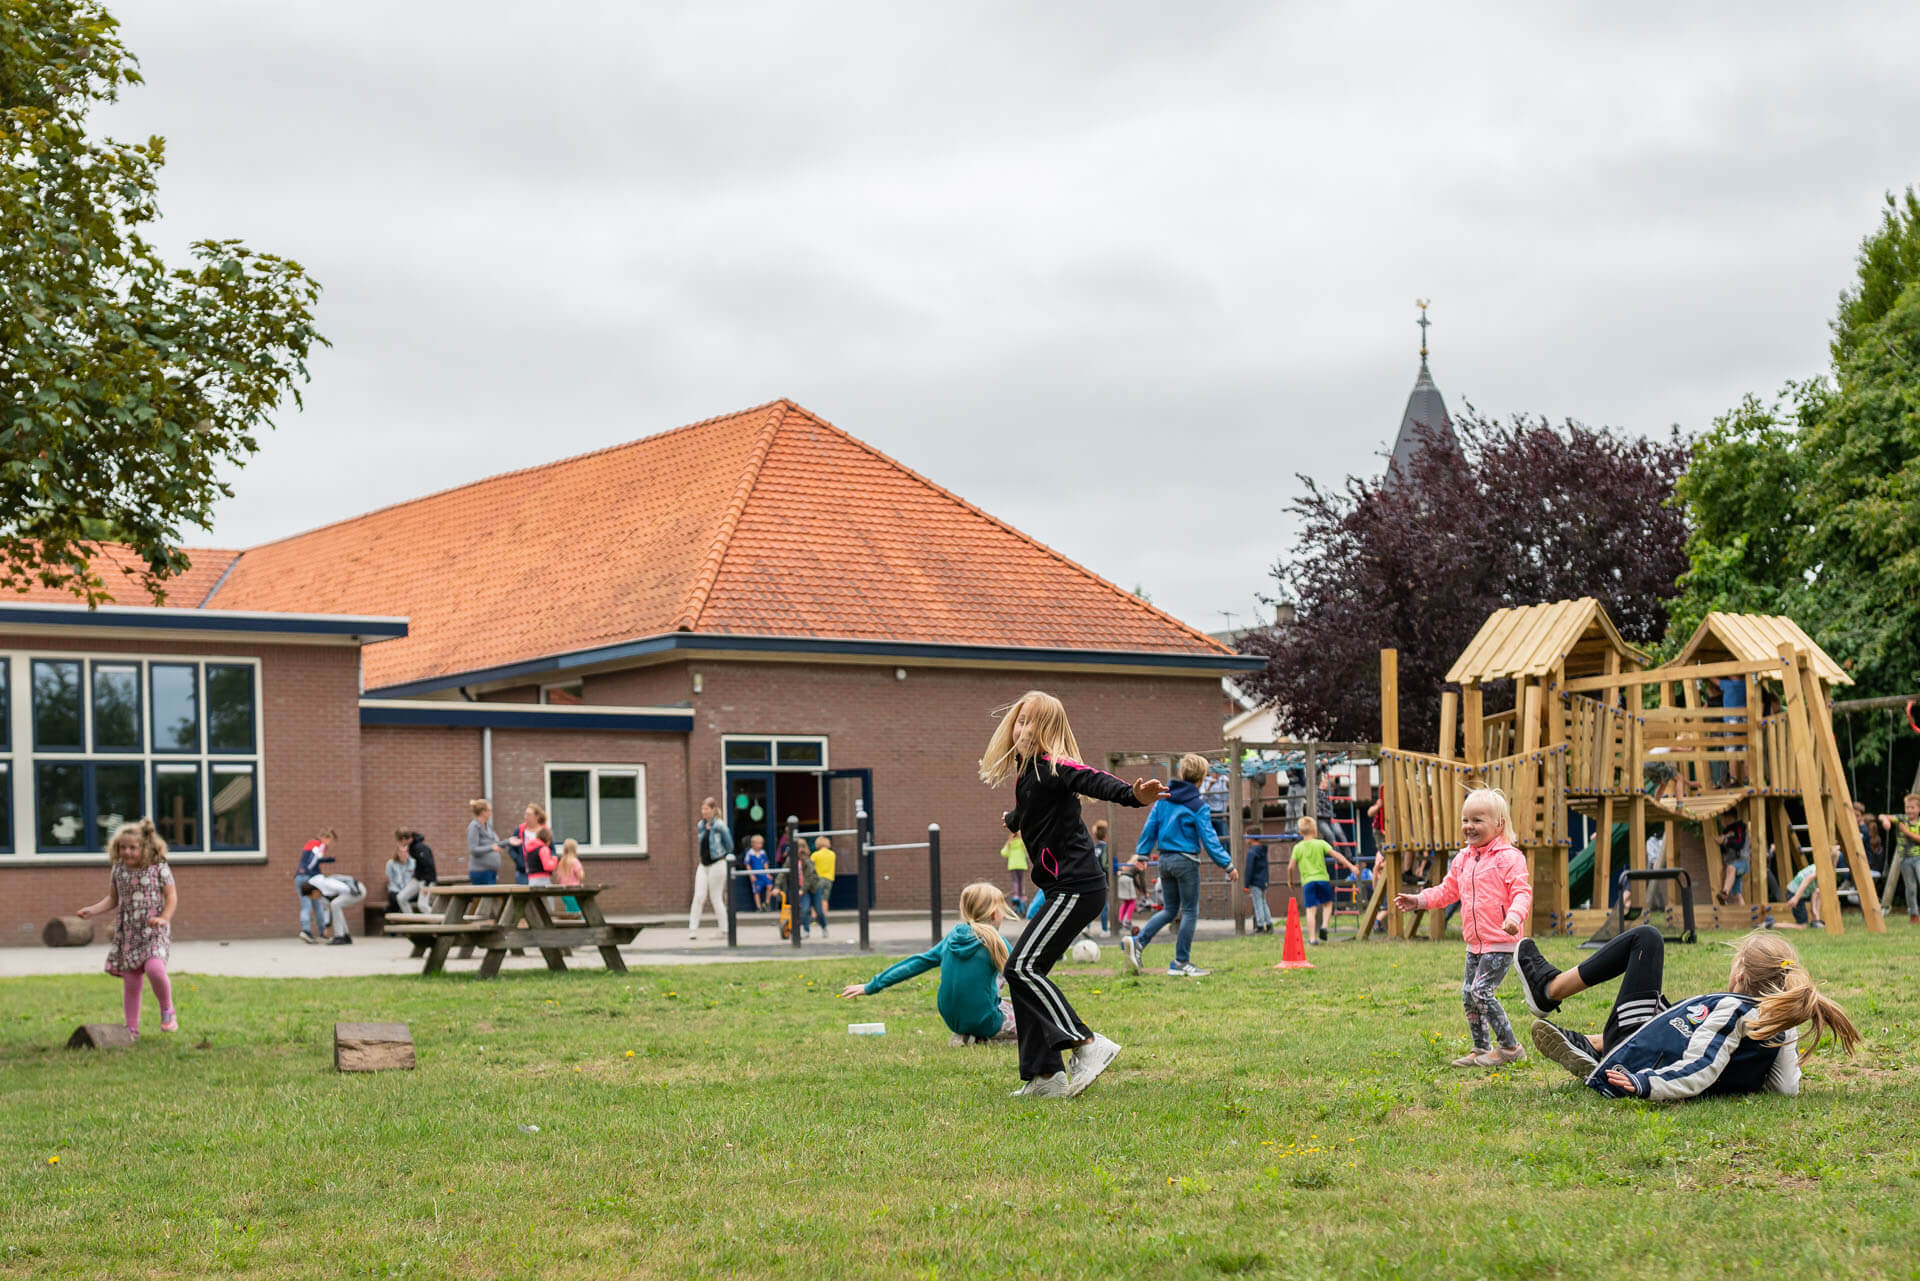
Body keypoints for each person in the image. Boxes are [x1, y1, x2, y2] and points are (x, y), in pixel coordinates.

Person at [981, 689, 1167, 1098]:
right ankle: (1045, 1076)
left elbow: (1091, 779)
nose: (1023, 728)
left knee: (1021, 968)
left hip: (1077, 887)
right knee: (1026, 974)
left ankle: (1087, 1043)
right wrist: (1014, 819)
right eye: (1020, 719)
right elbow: (1036, 811)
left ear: (1048, 731)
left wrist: (1133, 796)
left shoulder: (1053, 766)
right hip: (1061, 889)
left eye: (1032, 722)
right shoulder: (1026, 773)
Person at [1517, 926, 1859, 1099]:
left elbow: (1700, 1066)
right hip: (1652, 1050)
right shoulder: (1779, 1030)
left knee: (1647, 939)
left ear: (1740, 975)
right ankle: (1592, 1045)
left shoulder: (1731, 1009)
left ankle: (1549, 989)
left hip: (1636, 1061)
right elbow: (1786, 1088)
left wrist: (1644, 1084)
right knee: (1673, 1014)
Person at [1393, 789, 1533, 1068]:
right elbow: (1447, 892)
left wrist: (1515, 917)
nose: (1469, 826)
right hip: (1475, 943)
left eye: (1477, 820)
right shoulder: (1463, 859)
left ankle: (1510, 1047)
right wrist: (1419, 900)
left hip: (1500, 941)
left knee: (1481, 991)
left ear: (1499, 825)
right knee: (1468, 994)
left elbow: (1522, 892)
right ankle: (1481, 1048)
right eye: (1465, 820)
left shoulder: (1509, 857)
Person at [841, 882, 1019, 1045]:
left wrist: (872, 985)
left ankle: (969, 1034)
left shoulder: (952, 938)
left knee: (998, 995)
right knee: (1024, 1013)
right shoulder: (997, 942)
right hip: (985, 1020)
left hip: (953, 1020)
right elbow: (1021, 978)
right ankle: (986, 1037)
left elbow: (916, 963)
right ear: (995, 913)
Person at [1124, 753, 1237, 978]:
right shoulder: (1198, 806)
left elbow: (1150, 827)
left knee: (1169, 910)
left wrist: (1142, 855)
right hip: (1186, 862)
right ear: (1202, 778)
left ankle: (1138, 942)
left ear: (1181, 773)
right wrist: (1228, 865)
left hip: (1164, 861)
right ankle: (1181, 962)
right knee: (1189, 911)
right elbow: (1210, 839)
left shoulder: (1163, 799)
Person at [75, 819, 177, 1038]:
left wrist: (164, 918)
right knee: (131, 980)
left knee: (155, 969)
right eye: (123, 847)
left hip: (154, 931)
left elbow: (171, 896)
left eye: (133, 848)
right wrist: (92, 910)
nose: (127, 852)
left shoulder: (158, 866)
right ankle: (132, 1028)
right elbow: (113, 899)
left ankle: (167, 1010)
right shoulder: (118, 870)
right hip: (129, 933)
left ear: (145, 848)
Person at [1287, 816, 1356, 945]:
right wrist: (1351, 866)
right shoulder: (1321, 843)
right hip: (1323, 879)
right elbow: (1337, 855)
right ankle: (1324, 926)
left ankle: (1312, 939)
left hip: (1308, 882)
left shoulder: (1298, 848)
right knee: (1328, 905)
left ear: (1300, 833)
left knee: (1310, 910)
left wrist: (1290, 880)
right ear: (1314, 830)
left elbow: (1291, 866)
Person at [689, 797, 732, 939]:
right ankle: (693, 930)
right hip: (703, 865)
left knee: (716, 897)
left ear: (713, 810)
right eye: (702, 809)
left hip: (717, 864)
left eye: (706, 809)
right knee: (699, 896)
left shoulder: (720, 825)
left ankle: (724, 930)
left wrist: (721, 856)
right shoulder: (700, 825)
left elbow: (730, 845)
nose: (704, 812)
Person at [1879, 794, 1920, 924]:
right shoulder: (1901, 819)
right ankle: (1913, 914)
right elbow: (1882, 815)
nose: (1909, 810)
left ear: (1918, 809)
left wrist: (1906, 832)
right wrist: (1885, 821)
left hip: (1918, 858)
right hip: (1904, 860)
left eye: (1912, 808)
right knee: (1911, 888)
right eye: (1907, 807)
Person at [295, 827, 337, 943]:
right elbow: (313, 861)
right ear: (325, 838)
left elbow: (311, 860)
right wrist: (327, 862)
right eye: (330, 841)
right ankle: (309, 931)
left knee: (314, 904)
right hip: (307, 878)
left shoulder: (310, 843)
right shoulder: (319, 845)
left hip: (299, 876)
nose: (329, 845)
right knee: (311, 905)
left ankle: (316, 931)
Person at [304, 872, 367, 946]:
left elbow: (345, 887)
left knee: (335, 904)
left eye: (310, 896)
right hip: (350, 892)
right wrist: (326, 926)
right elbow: (327, 910)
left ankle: (339, 937)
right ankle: (346, 936)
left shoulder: (328, 884)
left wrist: (353, 892)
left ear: (314, 892)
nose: (312, 899)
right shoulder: (322, 897)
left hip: (357, 890)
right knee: (335, 906)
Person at [393, 828, 437, 913]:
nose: (399, 844)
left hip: (427, 880)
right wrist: (415, 876)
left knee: (422, 905)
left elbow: (429, 866)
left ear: (404, 839)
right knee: (401, 897)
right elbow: (419, 865)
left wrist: (427, 886)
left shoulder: (420, 848)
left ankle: (437, 923)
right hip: (418, 879)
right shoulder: (412, 847)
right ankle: (411, 920)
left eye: (400, 841)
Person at [466, 799, 505, 886]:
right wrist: (491, 848)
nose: (491, 812)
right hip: (480, 872)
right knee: (486, 899)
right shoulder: (474, 827)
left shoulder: (488, 826)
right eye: (489, 810)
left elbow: (496, 844)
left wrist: (508, 841)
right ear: (483, 812)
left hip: (492, 871)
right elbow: (473, 850)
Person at [505, 803, 546, 885]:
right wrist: (519, 861)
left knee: (541, 897)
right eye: (525, 814)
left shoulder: (544, 831)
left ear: (536, 816)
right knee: (523, 897)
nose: (525, 817)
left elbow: (551, 849)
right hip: (523, 873)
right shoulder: (520, 830)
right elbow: (511, 849)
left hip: (541, 874)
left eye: (529, 814)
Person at [804, 835, 837, 937]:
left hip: (818, 879)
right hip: (829, 878)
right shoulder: (832, 854)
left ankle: (814, 917)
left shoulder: (815, 855)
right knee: (825, 899)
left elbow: (810, 867)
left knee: (816, 899)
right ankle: (824, 916)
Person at [1776, 861, 1824, 928]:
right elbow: (1806, 881)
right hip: (1794, 894)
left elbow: (1815, 891)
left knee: (1819, 891)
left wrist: (1814, 910)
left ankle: (1815, 920)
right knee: (1802, 926)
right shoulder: (1819, 870)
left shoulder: (1817, 867)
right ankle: (1771, 924)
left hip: (1800, 893)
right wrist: (1796, 898)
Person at [1714, 819, 1748, 907]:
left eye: (1722, 818)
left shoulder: (1739, 827)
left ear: (1728, 817)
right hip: (1732, 864)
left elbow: (1740, 843)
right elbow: (1723, 850)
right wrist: (1720, 843)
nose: (1722, 822)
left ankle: (1725, 892)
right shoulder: (1725, 831)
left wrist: (1725, 841)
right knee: (1736, 895)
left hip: (1742, 861)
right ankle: (1744, 916)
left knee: (1731, 868)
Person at [1244, 839, 1272, 934]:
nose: (1245, 839)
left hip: (1255, 882)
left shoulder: (1252, 852)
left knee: (1257, 904)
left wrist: (1246, 884)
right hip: (1263, 881)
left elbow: (1249, 869)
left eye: (1247, 836)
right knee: (1264, 903)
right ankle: (1269, 925)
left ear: (1252, 838)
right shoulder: (1262, 850)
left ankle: (1260, 926)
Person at [555, 838, 585, 913]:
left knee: (570, 911)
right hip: (574, 891)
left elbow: (558, 878)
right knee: (577, 912)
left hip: (564, 892)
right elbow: (580, 876)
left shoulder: (561, 862)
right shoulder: (575, 861)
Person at [384, 841, 414, 916]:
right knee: (395, 898)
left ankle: (389, 911)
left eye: (405, 852)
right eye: (401, 852)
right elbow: (390, 881)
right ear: (397, 853)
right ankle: (397, 918)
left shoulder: (414, 863)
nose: (403, 854)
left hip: (409, 890)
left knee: (404, 898)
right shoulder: (391, 864)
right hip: (396, 889)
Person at [744, 834, 772, 911]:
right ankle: (759, 907)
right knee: (756, 891)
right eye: (758, 843)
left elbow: (765, 863)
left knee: (769, 886)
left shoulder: (763, 852)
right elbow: (747, 864)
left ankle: (767, 903)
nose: (760, 845)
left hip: (763, 874)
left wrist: (768, 873)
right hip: (756, 875)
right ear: (753, 844)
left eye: (761, 844)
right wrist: (751, 875)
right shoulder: (750, 853)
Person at [1001, 831, 1029, 905]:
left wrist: (1007, 844)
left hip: (1013, 865)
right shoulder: (1021, 843)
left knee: (1015, 881)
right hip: (1021, 865)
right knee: (1021, 881)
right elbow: (1027, 851)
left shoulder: (1010, 843)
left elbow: (1003, 853)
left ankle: (1016, 895)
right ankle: (1022, 895)